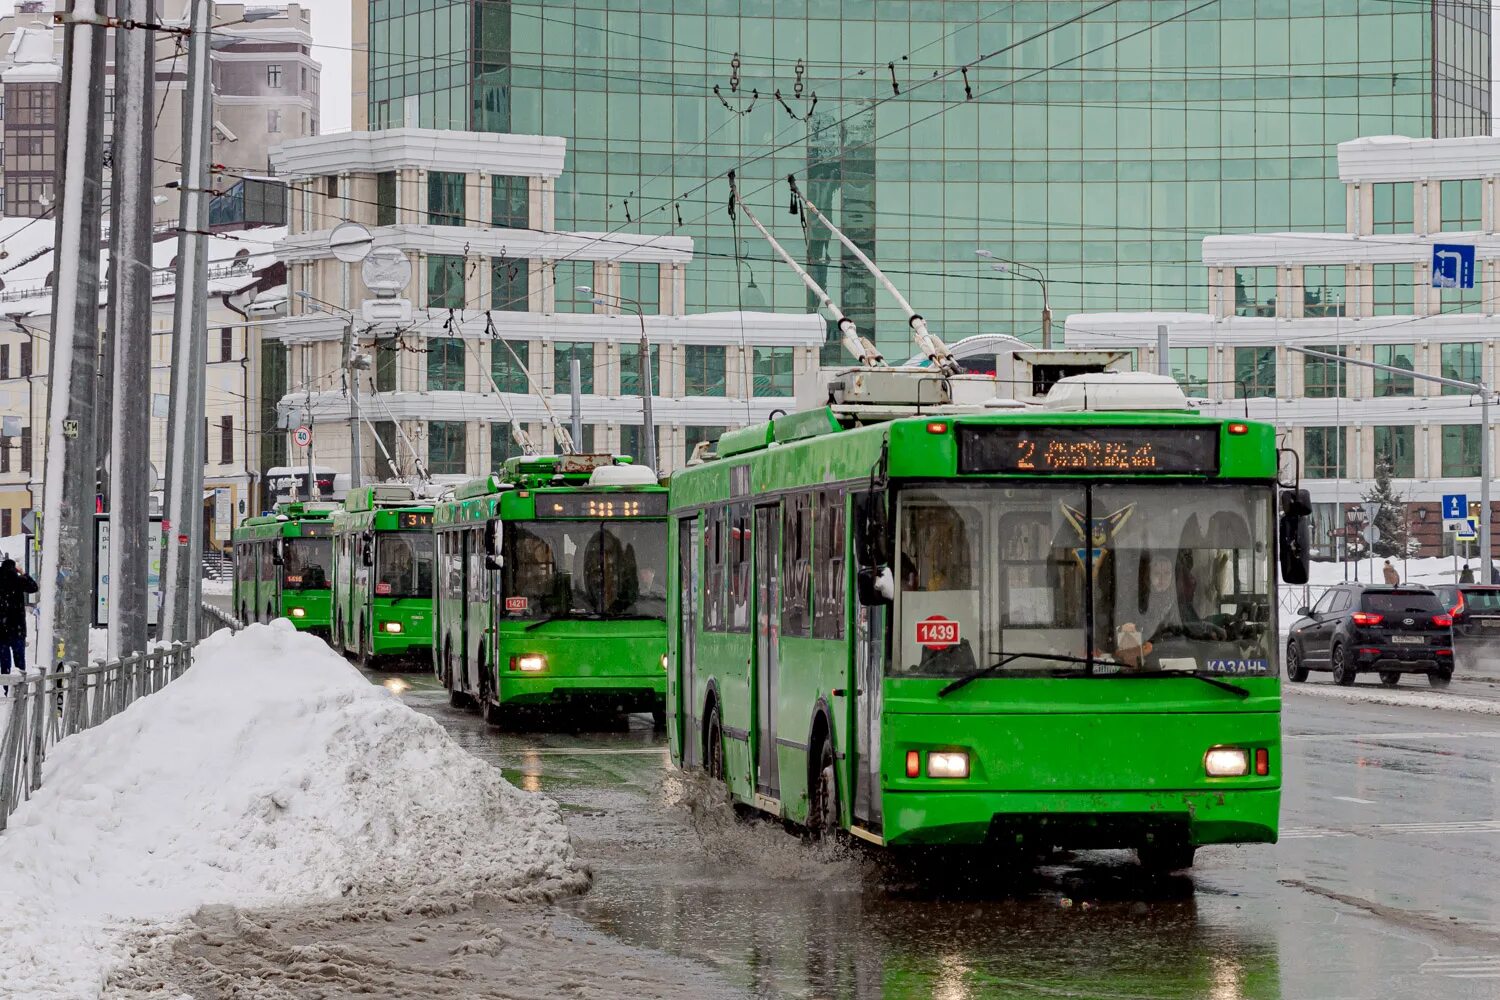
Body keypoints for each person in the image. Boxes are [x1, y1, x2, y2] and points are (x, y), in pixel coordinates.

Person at [0, 557, 38, 676]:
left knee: (5, 662)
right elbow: (34, 587)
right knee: (19, 660)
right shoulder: (18, 580)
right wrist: (23, 573)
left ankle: (6, 688)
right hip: (18, 628)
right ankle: (20, 689)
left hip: (1, 629)